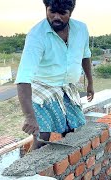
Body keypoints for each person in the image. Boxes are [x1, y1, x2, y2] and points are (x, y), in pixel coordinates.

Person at [15, 0, 94, 150]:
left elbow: (85, 55)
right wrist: (30, 117)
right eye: (52, 12)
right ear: (46, 9)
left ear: (70, 12)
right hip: (43, 86)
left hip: (67, 86)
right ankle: (30, 169)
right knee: (42, 135)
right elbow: (23, 77)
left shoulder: (81, 29)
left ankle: (69, 164)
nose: (56, 17)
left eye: (62, 13)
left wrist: (90, 83)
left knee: (73, 128)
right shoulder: (36, 35)